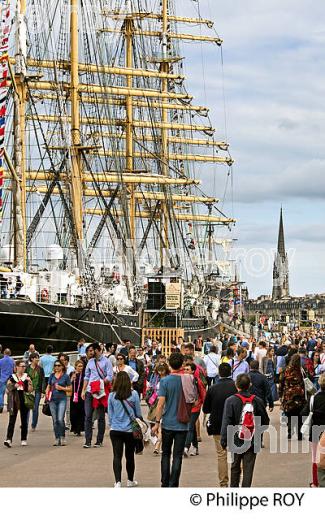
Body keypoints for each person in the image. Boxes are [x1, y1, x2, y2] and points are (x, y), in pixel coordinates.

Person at [152, 352, 197, 487]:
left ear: (169, 364)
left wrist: (157, 422)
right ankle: (174, 483)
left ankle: (164, 482)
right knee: (177, 456)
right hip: (182, 423)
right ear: (182, 364)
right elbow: (193, 401)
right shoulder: (188, 379)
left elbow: (160, 404)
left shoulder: (165, 381)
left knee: (165, 454)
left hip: (167, 423)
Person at [221, 373, 270, 487]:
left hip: (235, 438)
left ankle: (234, 490)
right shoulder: (257, 400)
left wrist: (224, 440)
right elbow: (265, 422)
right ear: (250, 385)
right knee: (248, 468)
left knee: (235, 466)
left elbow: (226, 422)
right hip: (253, 440)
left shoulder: (230, 401)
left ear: (236, 385)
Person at [202, 362, 237, 487]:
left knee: (221, 454)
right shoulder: (236, 387)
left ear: (219, 373)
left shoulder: (213, 388)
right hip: (235, 424)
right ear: (230, 372)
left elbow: (205, 409)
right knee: (236, 453)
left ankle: (223, 483)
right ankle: (236, 481)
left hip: (217, 425)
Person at [108, 371, 143, 487]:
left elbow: (110, 413)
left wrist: (113, 424)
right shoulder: (134, 394)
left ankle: (117, 481)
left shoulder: (112, 395)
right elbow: (138, 412)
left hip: (115, 429)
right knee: (129, 456)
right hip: (129, 430)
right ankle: (130, 480)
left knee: (117, 456)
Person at [81, 342, 113, 448]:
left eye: (92, 350)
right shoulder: (90, 361)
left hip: (100, 391)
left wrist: (101, 383)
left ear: (97, 350)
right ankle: (87, 440)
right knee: (88, 415)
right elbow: (86, 376)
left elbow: (110, 376)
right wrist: (83, 390)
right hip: (90, 390)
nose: (90, 353)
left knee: (100, 416)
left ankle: (99, 440)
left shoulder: (106, 361)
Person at [301, 372, 325, 487]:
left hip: (315, 432)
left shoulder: (313, 399)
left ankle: (316, 482)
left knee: (315, 458)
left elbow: (303, 414)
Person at [4, 360, 33, 447]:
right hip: (14, 400)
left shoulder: (26, 376)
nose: (23, 368)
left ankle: (23, 439)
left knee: (24, 420)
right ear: (16, 367)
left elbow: (30, 390)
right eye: (22, 366)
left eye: (24, 366)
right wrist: (14, 386)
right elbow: (7, 388)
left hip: (24, 400)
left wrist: (29, 382)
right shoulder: (12, 377)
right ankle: (9, 439)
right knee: (12, 420)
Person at [278, 353, 306, 440]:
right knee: (299, 415)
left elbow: (281, 383)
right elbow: (305, 382)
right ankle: (299, 434)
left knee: (289, 414)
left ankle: (290, 431)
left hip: (288, 396)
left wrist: (280, 394)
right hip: (299, 396)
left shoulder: (286, 370)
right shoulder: (301, 370)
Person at [46, 360, 72, 446]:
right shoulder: (52, 376)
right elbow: (49, 386)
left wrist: (62, 388)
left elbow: (70, 389)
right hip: (52, 399)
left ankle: (62, 436)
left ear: (62, 367)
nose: (57, 367)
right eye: (55, 366)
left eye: (58, 365)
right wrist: (46, 393)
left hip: (62, 399)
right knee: (55, 420)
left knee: (60, 419)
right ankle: (57, 438)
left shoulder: (66, 376)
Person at [146, 362, 170, 455]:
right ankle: (159, 444)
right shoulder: (156, 378)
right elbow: (151, 387)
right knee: (157, 426)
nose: (161, 372)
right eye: (159, 370)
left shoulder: (167, 379)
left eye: (162, 370)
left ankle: (157, 446)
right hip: (156, 403)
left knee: (160, 426)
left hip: (164, 403)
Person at [183, 362, 206, 456]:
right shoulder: (182, 380)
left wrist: (202, 404)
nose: (185, 371)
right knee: (191, 427)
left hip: (195, 407)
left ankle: (186, 447)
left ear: (193, 371)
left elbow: (203, 393)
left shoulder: (197, 381)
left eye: (188, 370)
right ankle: (195, 447)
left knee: (190, 426)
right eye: (185, 369)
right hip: (186, 407)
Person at [26, 353, 46, 431]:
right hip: (28, 390)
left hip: (37, 390)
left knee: (35, 408)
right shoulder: (27, 368)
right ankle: (25, 423)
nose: (38, 359)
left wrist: (43, 391)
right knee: (27, 407)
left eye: (38, 358)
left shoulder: (40, 369)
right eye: (36, 358)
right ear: (31, 359)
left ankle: (33, 425)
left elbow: (43, 380)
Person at [70, 360, 86, 436]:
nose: (80, 368)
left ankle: (79, 429)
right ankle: (74, 427)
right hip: (73, 395)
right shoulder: (72, 374)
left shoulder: (84, 375)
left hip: (81, 395)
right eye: (79, 366)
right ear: (75, 367)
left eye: (82, 366)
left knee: (81, 412)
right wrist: (71, 379)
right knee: (73, 413)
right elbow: (68, 384)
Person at [0, 348, 15, 413]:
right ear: (10, 353)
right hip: (10, 379)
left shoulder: (0, 360)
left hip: (2, 378)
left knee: (1, 393)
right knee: (10, 394)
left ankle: (1, 406)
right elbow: (14, 370)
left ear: (4, 353)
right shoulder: (12, 361)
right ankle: (9, 407)